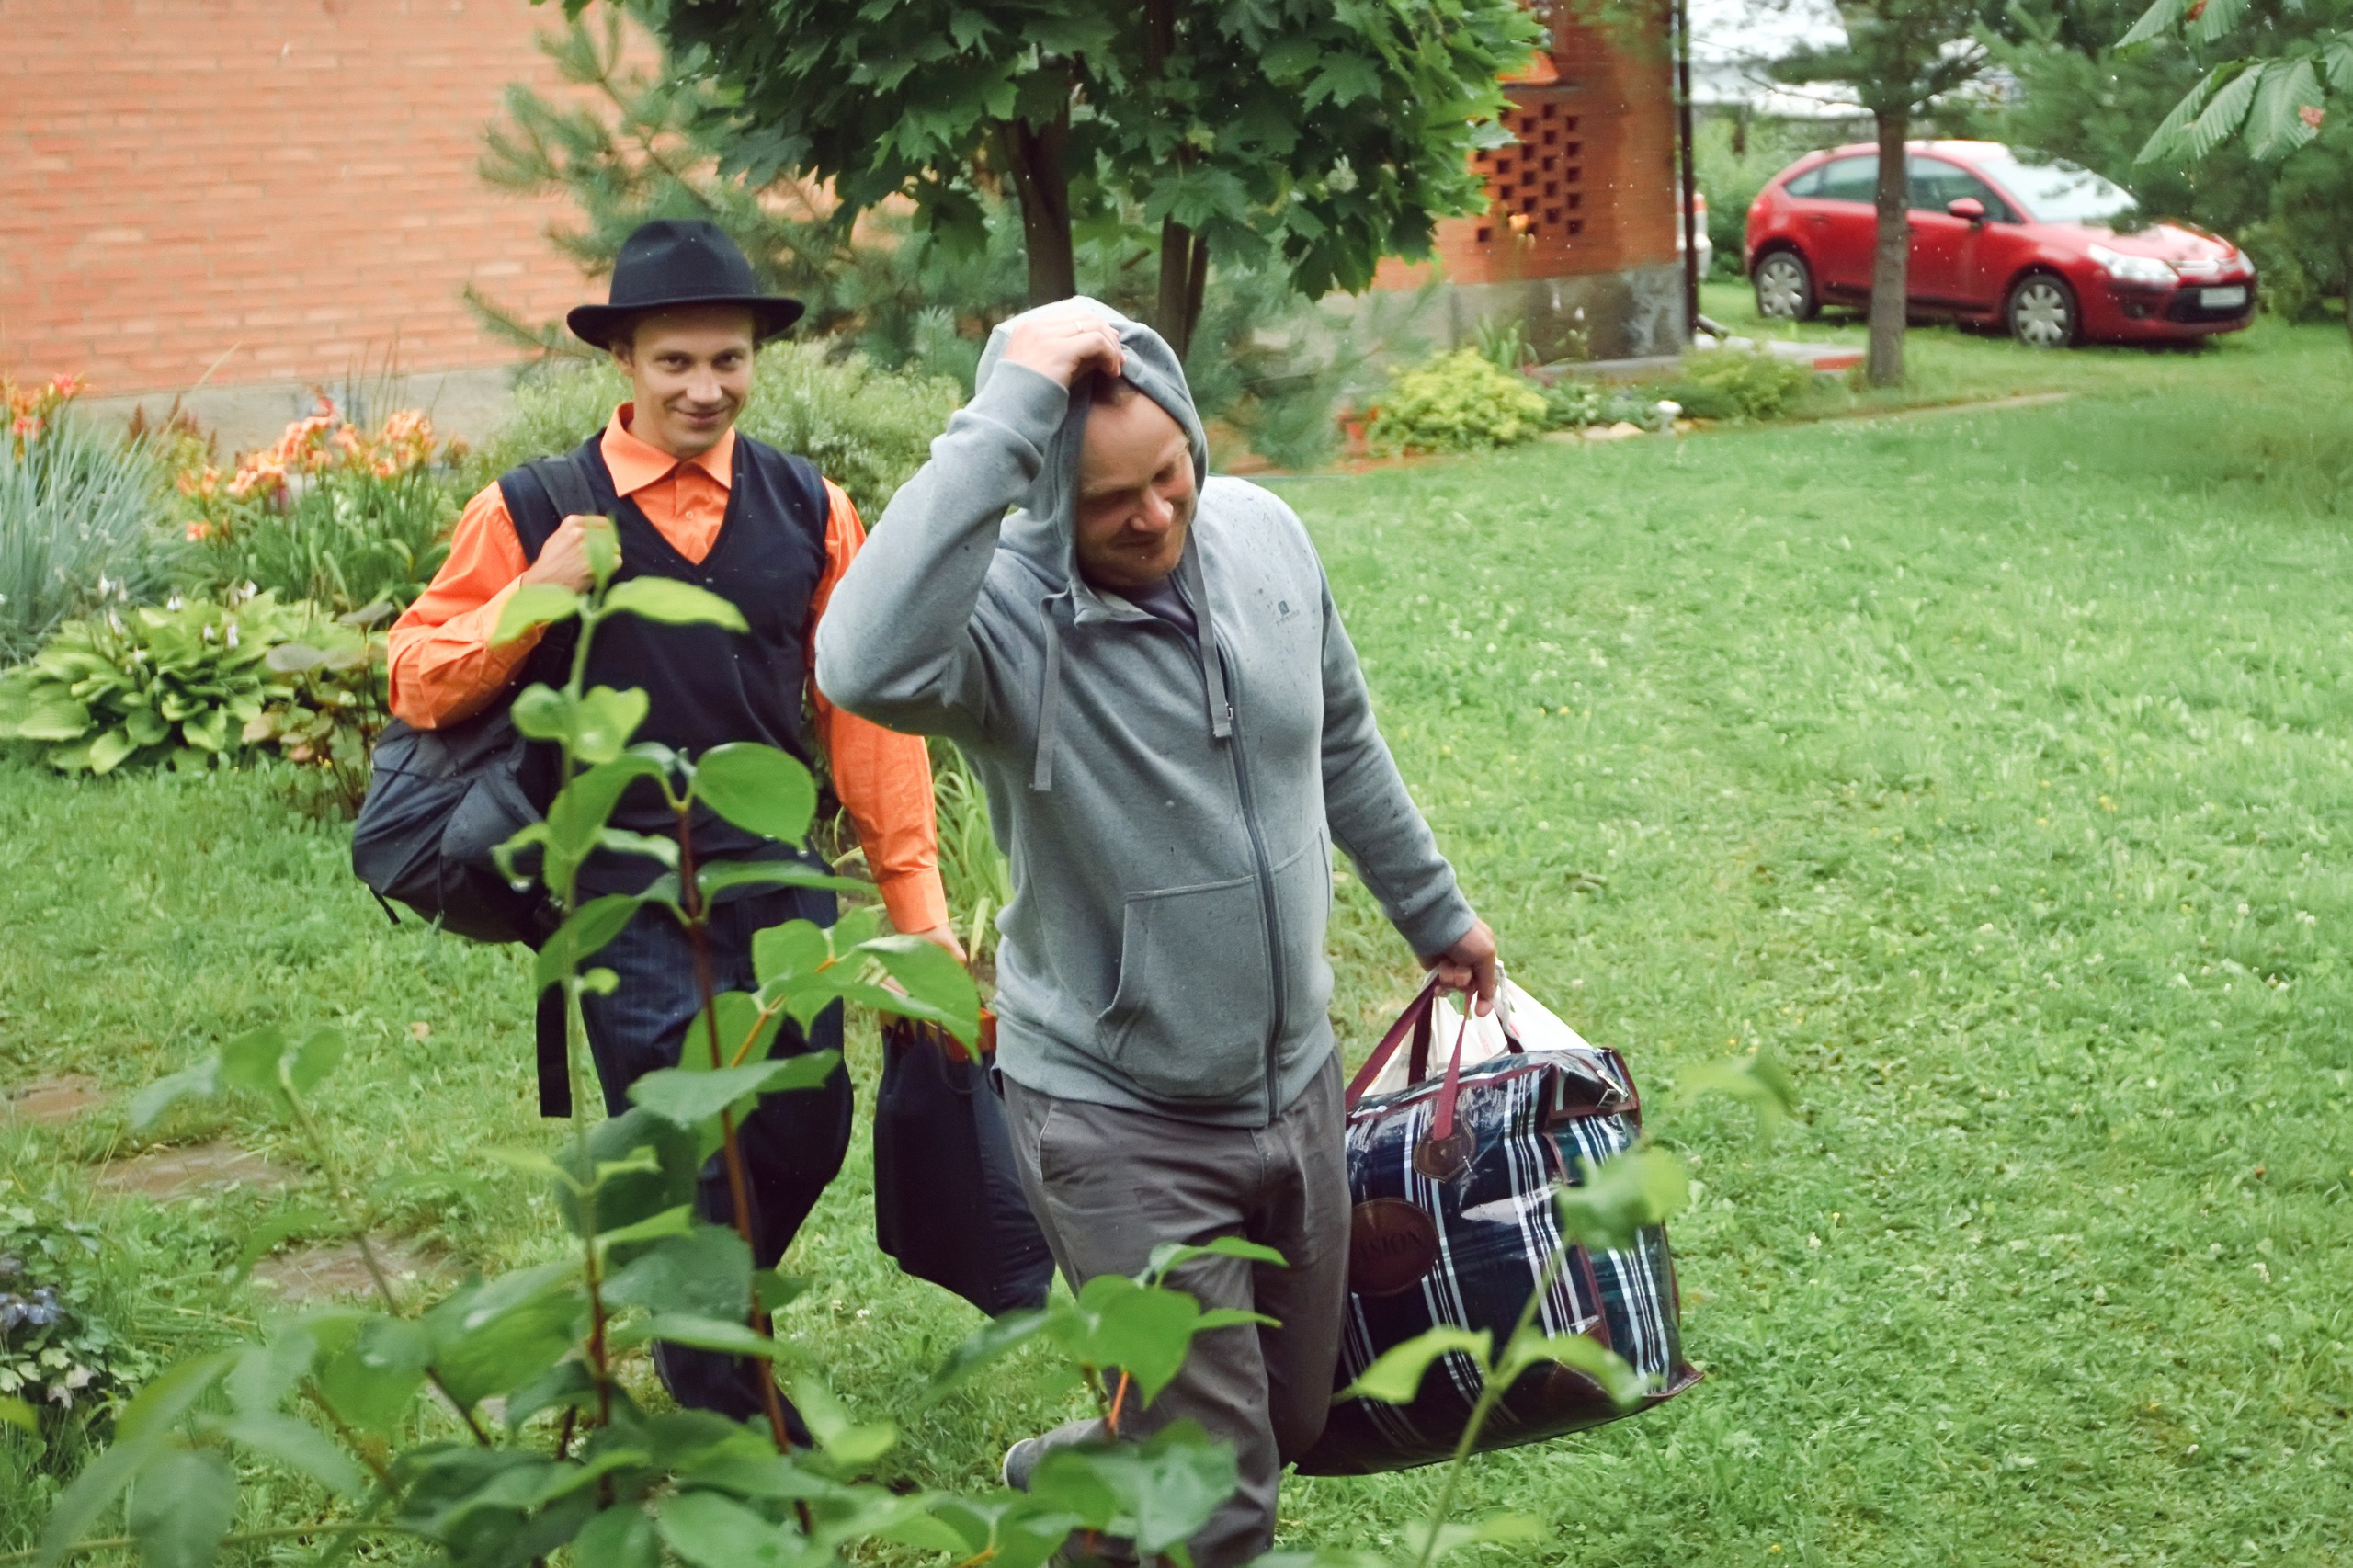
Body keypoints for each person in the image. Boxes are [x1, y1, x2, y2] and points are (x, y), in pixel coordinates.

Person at [814, 298, 1497, 1566]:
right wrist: (1006, 413)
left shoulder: (1267, 538)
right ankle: (1130, 1471)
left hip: (1291, 1091)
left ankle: (1076, 1477)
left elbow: (1340, 737)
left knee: (1288, 1418)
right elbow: (859, 661)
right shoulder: (1005, 631)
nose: (1154, 516)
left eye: (1170, 473)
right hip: (1117, 1114)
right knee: (1225, 1493)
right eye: (1105, 501)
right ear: (1040, 498)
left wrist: (1433, 909)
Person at [387, 219, 961, 1432]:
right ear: (626, 364)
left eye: (728, 361)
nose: (705, 387)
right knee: (693, 1149)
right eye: (675, 363)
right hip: (626, 889)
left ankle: (710, 1320)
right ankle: (733, 1414)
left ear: (757, 360)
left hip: (776, 881)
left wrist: (921, 916)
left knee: (805, 1122)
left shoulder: (810, 506)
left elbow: (863, 721)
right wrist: (537, 592)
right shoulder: (536, 505)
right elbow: (417, 675)